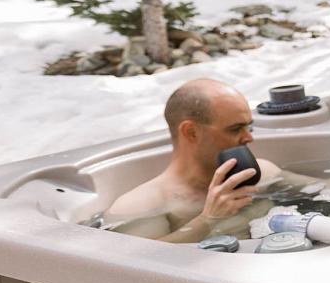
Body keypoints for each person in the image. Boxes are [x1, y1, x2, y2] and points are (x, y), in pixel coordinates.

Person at [104, 79, 286, 242]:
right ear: (191, 132)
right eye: (235, 129)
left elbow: (315, 193)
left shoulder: (263, 173)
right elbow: (141, 268)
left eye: (249, 127)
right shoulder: (141, 204)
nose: (248, 138)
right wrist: (207, 220)